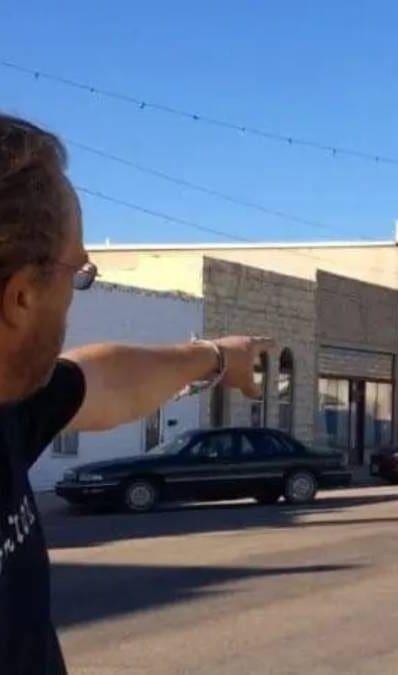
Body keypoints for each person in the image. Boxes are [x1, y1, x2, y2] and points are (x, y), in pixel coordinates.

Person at [0, 114, 272, 673]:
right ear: (22, 296)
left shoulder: (11, 406)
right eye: (77, 274)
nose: (74, 296)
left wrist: (217, 356)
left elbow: (105, 380)